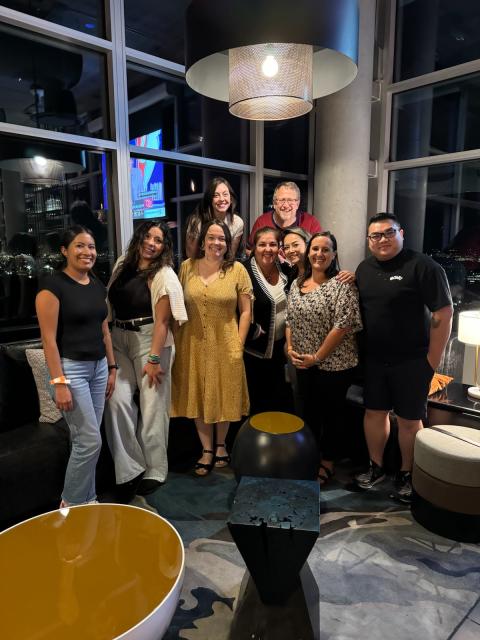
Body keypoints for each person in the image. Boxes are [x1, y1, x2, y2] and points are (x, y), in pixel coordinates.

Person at [354, 212, 453, 503]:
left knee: (410, 421)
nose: (382, 239)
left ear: (401, 233)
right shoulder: (363, 269)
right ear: (368, 240)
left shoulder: (423, 267)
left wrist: (431, 362)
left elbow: (443, 314)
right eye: (376, 235)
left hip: (412, 361)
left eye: (388, 233)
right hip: (374, 360)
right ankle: (377, 467)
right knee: (374, 413)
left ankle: (408, 475)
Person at [36, 225, 116, 507]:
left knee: (86, 442)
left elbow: (104, 330)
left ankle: (89, 500)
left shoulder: (96, 284)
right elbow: (48, 341)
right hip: (72, 371)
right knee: (90, 441)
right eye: (80, 246)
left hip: (98, 369)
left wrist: (113, 367)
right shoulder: (52, 286)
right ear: (64, 251)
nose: (87, 252)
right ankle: (68, 504)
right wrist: (59, 384)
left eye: (91, 247)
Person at [105, 221, 187, 496]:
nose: (152, 243)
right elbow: (109, 304)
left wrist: (153, 358)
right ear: (139, 238)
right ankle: (129, 468)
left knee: (153, 407)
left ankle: (155, 468)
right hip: (119, 338)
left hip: (150, 340)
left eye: (159, 240)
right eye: (148, 237)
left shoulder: (163, 274)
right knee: (116, 401)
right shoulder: (122, 264)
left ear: (164, 246)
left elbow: (163, 322)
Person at [172, 219, 252, 475]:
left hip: (226, 342)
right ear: (203, 241)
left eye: (222, 239)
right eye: (212, 238)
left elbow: (246, 311)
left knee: (225, 393)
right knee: (198, 394)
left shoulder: (237, 269)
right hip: (191, 344)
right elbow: (175, 307)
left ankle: (220, 446)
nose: (216, 243)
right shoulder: (186, 267)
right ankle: (206, 449)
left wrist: (239, 344)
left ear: (228, 244)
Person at [286, 232, 362, 484]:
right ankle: (310, 455)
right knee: (309, 413)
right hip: (303, 362)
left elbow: (342, 326)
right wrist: (289, 347)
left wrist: (317, 357)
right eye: (315, 249)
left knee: (332, 416)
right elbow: (290, 319)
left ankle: (327, 462)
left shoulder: (343, 285)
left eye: (325, 250)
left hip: (334, 365)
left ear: (334, 255)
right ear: (308, 252)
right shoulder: (298, 282)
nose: (319, 254)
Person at [243, 227, 293, 415]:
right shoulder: (243, 271)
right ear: (254, 247)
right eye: (262, 244)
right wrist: (252, 331)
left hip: (280, 350)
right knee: (255, 403)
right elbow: (232, 310)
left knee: (276, 402)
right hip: (254, 352)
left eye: (272, 244)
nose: (267, 249)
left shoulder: (285, 269)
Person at [247, 181, 321, 250]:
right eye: (282, 200)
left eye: (290, 200)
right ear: (275, 203)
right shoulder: (262, 222)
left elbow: (318, 250)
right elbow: (249, 250)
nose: (286, 205)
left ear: (297, 204)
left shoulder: (311, 222)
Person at [185, 177, 244, 258]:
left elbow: (230, 256)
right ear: (210, 199)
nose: (222, 199)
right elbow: (191, 256)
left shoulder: (237, 222)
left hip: (223, 267)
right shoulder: (197, 221)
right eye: (216, 195)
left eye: (225, 194)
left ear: (231, 198)